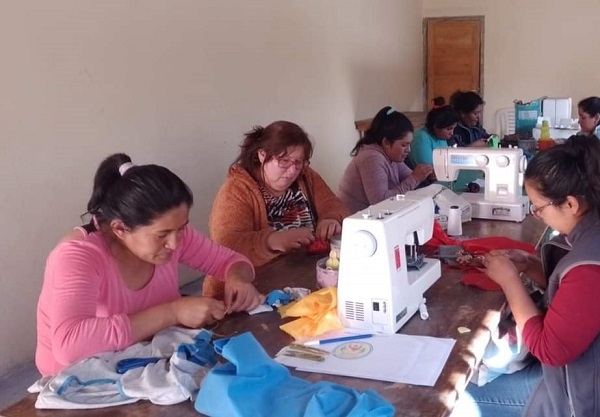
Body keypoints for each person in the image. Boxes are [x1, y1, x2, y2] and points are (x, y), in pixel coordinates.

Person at [463, 135, 600, 417]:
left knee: (462, 397)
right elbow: (586, 301)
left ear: (571, 204)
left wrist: (510, 281)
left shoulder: (598, 264)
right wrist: (529, 265)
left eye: (538, 207)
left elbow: (549, 349)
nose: (536, 215)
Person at [36, 154, 261, 377]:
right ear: (120, 229)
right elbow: (70, 344)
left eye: (181, 228)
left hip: (148, 353)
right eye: (162, 235)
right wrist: (174, 312)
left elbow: (232, 261)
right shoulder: (78, 257)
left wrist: (237, 279)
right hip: (80, 376)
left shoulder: (173, 234)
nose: (175, 244)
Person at [202, 121, 348, 298]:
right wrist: (271, 241)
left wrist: (331, 218)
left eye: (299, 162)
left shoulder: (306, 177)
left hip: (300, 277)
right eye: (284, 161)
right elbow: (226, 246)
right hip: (249, 289)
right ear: (262, 155)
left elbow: (333, 204)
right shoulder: (237, 190)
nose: (292, 170)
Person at [337, 106, 433, 213]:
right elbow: (380, 202)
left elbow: (410, 177)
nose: (409, 150)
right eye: (404, 145)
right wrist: (415, 178)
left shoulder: (391, 156)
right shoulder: (371, 158)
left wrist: (427, 174)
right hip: (354, 218)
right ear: (386, 142)